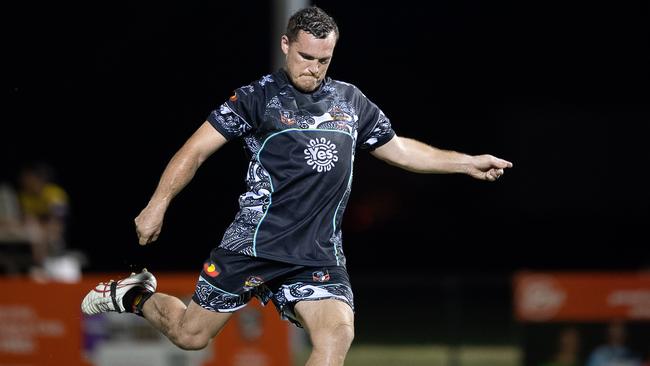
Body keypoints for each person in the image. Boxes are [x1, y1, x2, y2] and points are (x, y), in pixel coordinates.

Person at [81, 6, 512, 365]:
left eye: (324, 60)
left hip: (316, 254)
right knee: (190, 336)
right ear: (286, 45)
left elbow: (400, 149)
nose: (314, 69)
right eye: (306, 57)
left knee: (336, 335)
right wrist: (158, 204)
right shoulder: (255, 98)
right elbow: (194, 151)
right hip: (253, 246)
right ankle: (136, 294)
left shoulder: (351, 101)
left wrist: (465, 162)